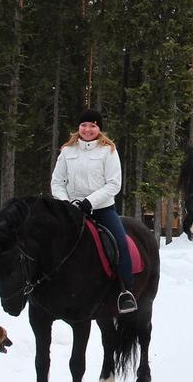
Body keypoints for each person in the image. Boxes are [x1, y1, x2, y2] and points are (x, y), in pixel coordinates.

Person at [50, 109, 137, 314]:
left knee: (120, 244)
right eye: (84, 125)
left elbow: (114, 184)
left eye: (93, 126)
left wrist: (89, 202)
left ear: (99, 128)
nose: (87, 129)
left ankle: (126, 291)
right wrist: (66, 203)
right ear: (78, 127)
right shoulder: (67, 151)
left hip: (101, 209)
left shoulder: (109, 151)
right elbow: (57, 182)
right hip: (71, 211)